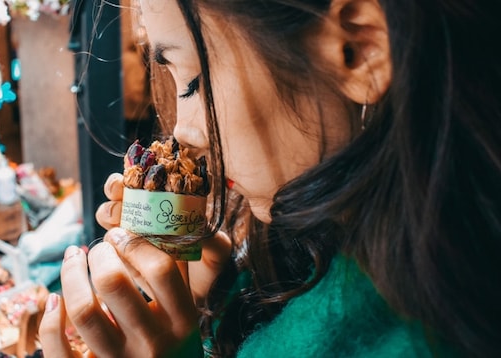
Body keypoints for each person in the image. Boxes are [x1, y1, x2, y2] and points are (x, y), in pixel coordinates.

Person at [39, 0, 501, 356]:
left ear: (358, 49)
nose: (184, 132)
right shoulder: (323, 254)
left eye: (195, 82)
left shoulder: (418, 335)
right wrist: (217, 303)